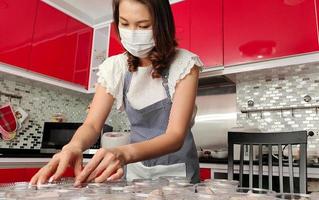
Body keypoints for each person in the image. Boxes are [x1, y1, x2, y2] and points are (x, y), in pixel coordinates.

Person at [30, 0, 203, 186]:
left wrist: (123, 152)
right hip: (136, 169)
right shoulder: (115, 67)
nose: (133, 33)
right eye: (125, 24)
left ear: (162, 25)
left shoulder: (184, 64)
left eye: (143, 25)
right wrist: (73, 146)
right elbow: (92, 126)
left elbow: (175, 136)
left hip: (177, 172)